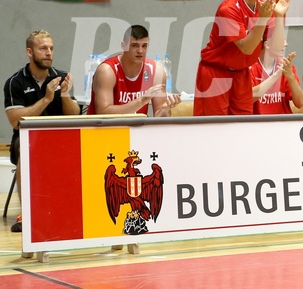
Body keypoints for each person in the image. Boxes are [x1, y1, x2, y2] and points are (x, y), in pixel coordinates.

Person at [4, 30, 81, 233]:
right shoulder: (15, 82)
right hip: (27, 140)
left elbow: (74, 116)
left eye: (51, 48)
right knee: (25, 148)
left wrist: (64, 95)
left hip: (59, 140)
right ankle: (27, 213)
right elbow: (15, 121)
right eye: (43, 48)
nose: (48, 52)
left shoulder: (62, 77)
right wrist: (46, 99)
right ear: (30, 52)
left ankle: (74, 209)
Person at [194, 0, 289, 116]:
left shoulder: (264, 7)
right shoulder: (229, 9)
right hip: (217, 72)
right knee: (214, 128)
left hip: (242, 73)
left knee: (243, 126)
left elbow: (277, 48)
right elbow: (246, 48)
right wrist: (263, 19)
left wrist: (279, 16)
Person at [87, 25, 181, 116]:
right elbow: (103, 113)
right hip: (105, 130)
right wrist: (141, 101)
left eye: (144, 46)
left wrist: (166, 109)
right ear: (123, 46)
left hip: (137, 131)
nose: (140, 51)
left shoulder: (156, 72)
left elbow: (159, 117)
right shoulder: (107, 71)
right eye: (135, 45)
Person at [251, 39, 303, 114]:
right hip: (257, 124)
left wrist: (290, 76)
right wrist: (276, 75)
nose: (286, 44)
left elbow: (300, 103)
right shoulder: (250, 67)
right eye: (281, 39)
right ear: (267, 44)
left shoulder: (286, 66)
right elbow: (248, 98)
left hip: (283, 123)